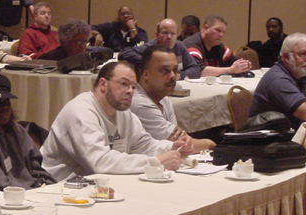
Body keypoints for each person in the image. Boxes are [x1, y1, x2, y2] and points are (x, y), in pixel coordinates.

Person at [41, 61, 192, 181]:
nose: (130, 91)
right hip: (55, 187)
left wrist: (171, 147)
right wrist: (155, 162)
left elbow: (143, 144)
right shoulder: (80, 111)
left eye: (133, 87)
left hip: (94, 185)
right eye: (124, 84)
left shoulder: (123, 112)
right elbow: (99, 161)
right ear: (103, 84)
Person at [131, 45, 215, 149]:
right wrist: (209, 143)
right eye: (164, 70)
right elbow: (183, 145)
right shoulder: (140, 103)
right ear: (145, 75)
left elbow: (180, 139)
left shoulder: (164, 99)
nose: (172, 76)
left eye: (175, 70)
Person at [249, 33, 306, 129]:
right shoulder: (277, 79)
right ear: (286, 57)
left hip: (293, 132)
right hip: (272, 135)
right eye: (303, 54)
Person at [118, 18, 201, 79]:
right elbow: (124, 53)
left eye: (173, 33)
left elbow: (195, 68)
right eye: (165, 33)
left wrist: (180, 76)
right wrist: (150, 61)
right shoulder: (150, 47)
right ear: (157, 35)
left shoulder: (179, 46)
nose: (169, 37)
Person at [183, 15, 251, 77]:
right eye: (218, 30)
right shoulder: (192, 45)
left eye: (223, 32)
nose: (221, 35)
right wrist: (231, 70)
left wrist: (243, 66)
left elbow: (233, 62)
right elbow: (198, 71)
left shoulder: (219, 46)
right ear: (205, 28)